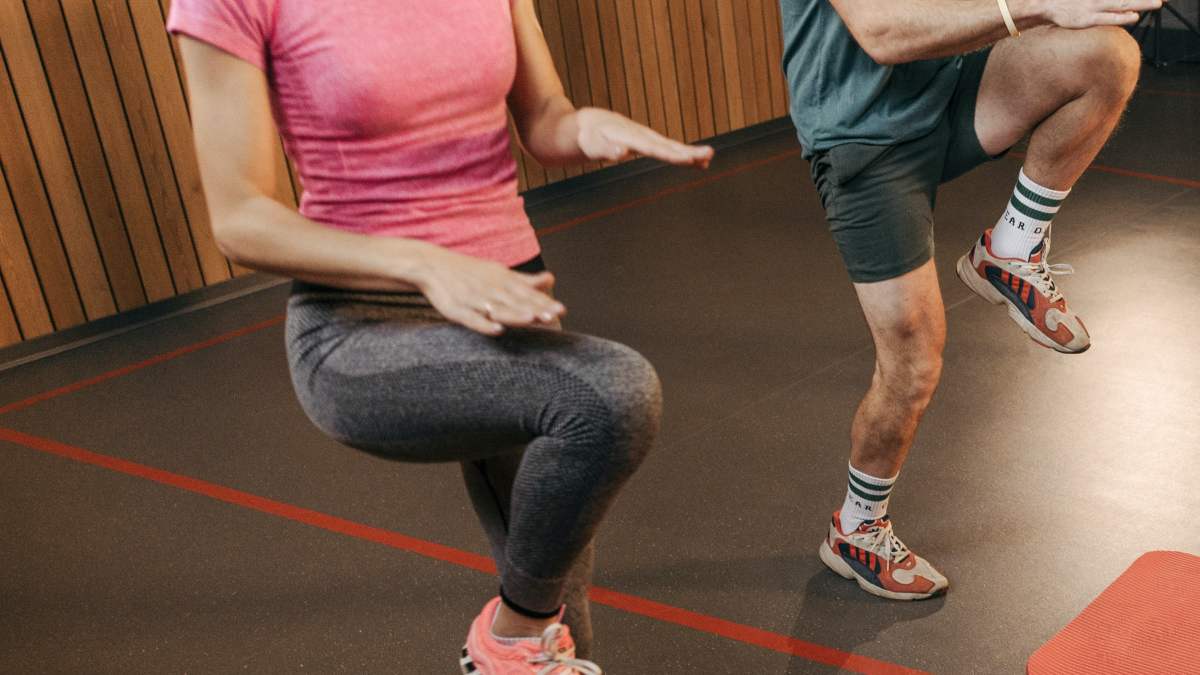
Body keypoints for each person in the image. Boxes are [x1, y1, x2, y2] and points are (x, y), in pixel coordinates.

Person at [168, 0, 714, 671]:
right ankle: (506, 635)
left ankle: (517, 639)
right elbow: (240, 216)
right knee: (610, 398)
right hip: (361, 327)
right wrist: (422, 262)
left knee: (559, 618)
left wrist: (580, 126)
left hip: (505, 306)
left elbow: (543, 117)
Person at [779, 0, 1159, 599]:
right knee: (914, 366)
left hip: (950, 88)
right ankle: (857, 530)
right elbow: (880, 32)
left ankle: (1013, 247)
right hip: (863, 139)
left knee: (1108, 54)